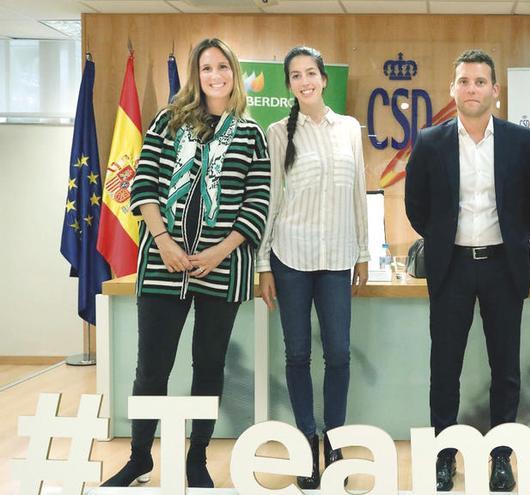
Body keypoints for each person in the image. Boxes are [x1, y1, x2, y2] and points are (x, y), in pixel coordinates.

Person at [102, 38, 270, 488]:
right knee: (151, 368)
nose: (215, 75)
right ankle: (139, 457)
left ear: (235, 73)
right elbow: (144, 186)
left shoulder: (252, 135)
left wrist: (218, 251)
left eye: (222, 67)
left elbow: (257, 205)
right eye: (206, 68)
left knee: (209, 365)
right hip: (163, 264)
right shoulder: (167, 122)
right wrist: (163, 241)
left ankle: (197, 458)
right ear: (196, 75)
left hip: (224, 269)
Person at [404, 49, 530, 492]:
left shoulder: (521, 142)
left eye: (480, 82)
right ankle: (443, 458)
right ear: (453, 88)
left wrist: (514, 236)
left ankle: (501, 455)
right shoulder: (430, 141)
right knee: (444, 367)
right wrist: (443, 238)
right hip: (452, 269)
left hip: (503, 266)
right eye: (464, 81)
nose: (472, 89)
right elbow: (416, 206)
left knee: (505, 367)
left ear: (495, 91)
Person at [257, 45, 369, 489]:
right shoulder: (278, 132)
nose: (305, 81)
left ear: (324, 79)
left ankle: (334, 439)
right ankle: (307, 438)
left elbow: (358, 191)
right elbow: (270, 200)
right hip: (291, 257)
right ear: (289, 85)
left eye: (311, 73)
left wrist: (363, 253)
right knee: (298, 354)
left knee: (339, 354)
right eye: (296, 76)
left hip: (338, 257)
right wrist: (264, 262)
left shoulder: (348, 128)